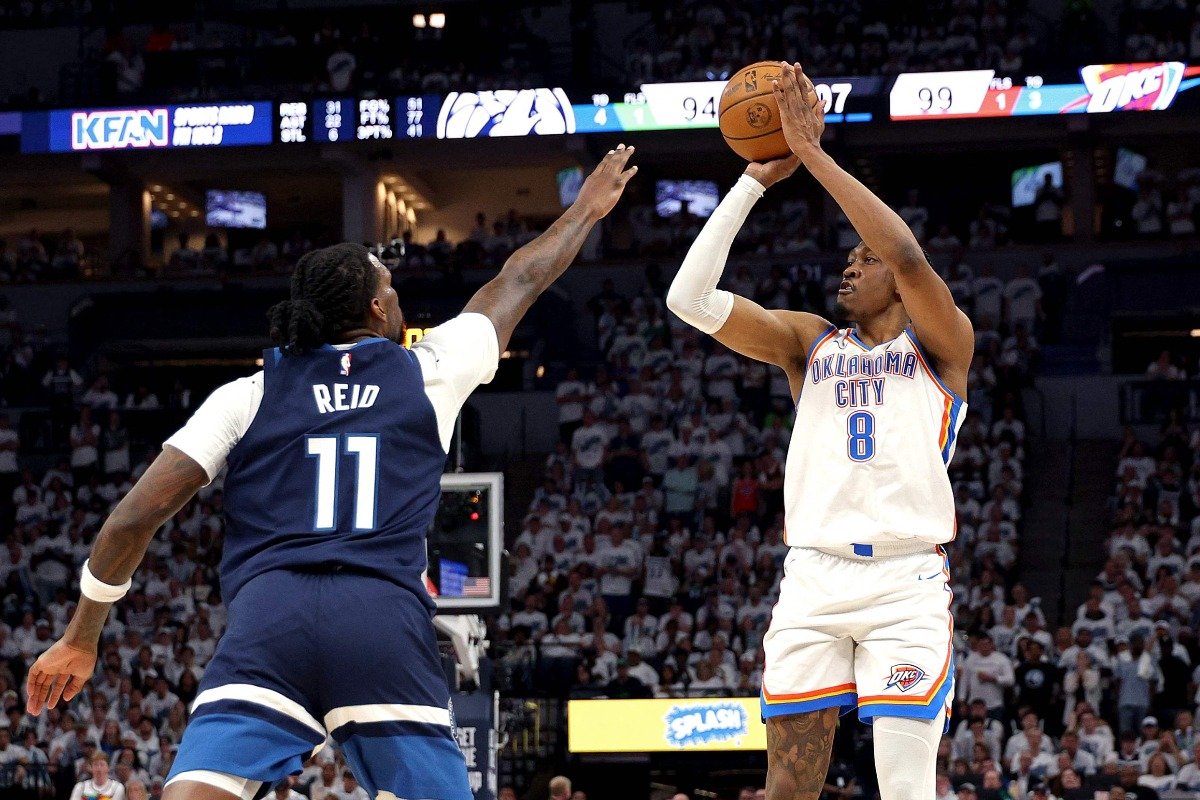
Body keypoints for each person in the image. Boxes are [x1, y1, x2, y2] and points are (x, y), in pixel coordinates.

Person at [25, 146, 638, 800]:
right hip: (381, 620)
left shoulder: (247, 394)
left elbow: (133, 519)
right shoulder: (430, 369)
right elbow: (520, 278)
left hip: (269, 619)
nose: (397, 302)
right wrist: (584, 211)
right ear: (377, 311)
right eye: (392, 292)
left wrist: (79, 638)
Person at [667, 63, 972, 800]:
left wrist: (815, 155)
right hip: (812, 577)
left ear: (899, 289)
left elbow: (903, 252)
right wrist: (752, 183)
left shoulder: (941, 345)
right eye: (848, 259)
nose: (851, 266)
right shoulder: (809, 343)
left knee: (904, 788)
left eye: (862, 261)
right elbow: (689, 298)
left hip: (905, 582)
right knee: (787, 790)